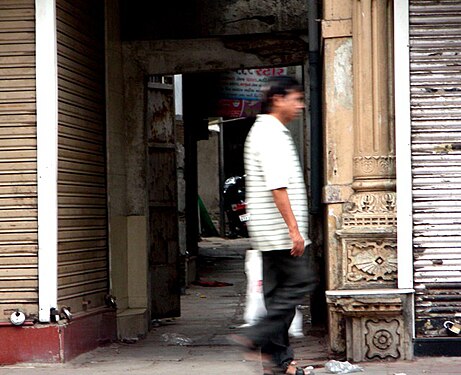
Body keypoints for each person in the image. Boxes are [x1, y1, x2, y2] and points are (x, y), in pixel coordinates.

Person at [230, 76, 316, 375]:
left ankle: (281, 364)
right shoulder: (271, 133)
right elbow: (278, 186)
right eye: (296, 98)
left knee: (279, 298)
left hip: (269, 232)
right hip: (279, 233)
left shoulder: (266, 131)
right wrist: (294, 231)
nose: (300, 104)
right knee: (299, 285)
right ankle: (256, 336)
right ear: (278, 99)